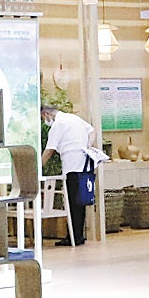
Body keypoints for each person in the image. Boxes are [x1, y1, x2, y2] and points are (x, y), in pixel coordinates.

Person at [41, 104, 98, 246]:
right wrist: (88, 146)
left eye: (43, 118)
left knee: (73, 203)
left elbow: (49, 150)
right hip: (84, 164)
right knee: (80, 203)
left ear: (47, 114)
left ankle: (73, 237)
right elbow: (92, 131)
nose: (44, 121)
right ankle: (78, 235)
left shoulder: (58, 124)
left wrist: (37, 168)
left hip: (72, 167)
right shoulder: (73, 118)